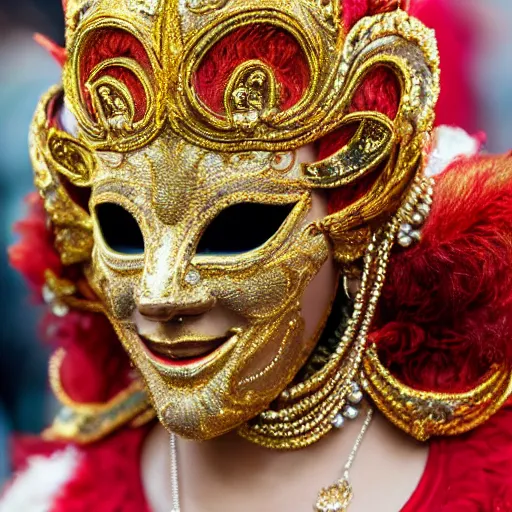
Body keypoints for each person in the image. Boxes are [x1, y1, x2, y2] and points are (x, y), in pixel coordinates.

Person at [2, 0, 512, 511]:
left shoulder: (492, 483)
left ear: (361, 199)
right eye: (124, 229)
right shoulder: (55, 496)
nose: (159, 295)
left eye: (237, 226)